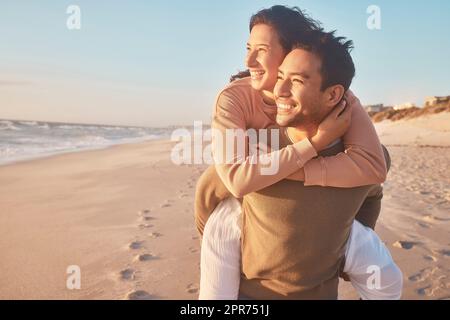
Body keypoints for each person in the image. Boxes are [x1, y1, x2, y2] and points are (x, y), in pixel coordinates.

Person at [195, 6, 402, 299]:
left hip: (315, 213)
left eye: (262, 49)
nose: (249, 60)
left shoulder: (340, 99)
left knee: (385, 274)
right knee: (227, 215)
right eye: (248, 48)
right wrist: (314, 145)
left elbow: (374, 167)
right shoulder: (236, 98)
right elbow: (229, 182)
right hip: (244, 210)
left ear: (291, 52)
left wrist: (337, 240)